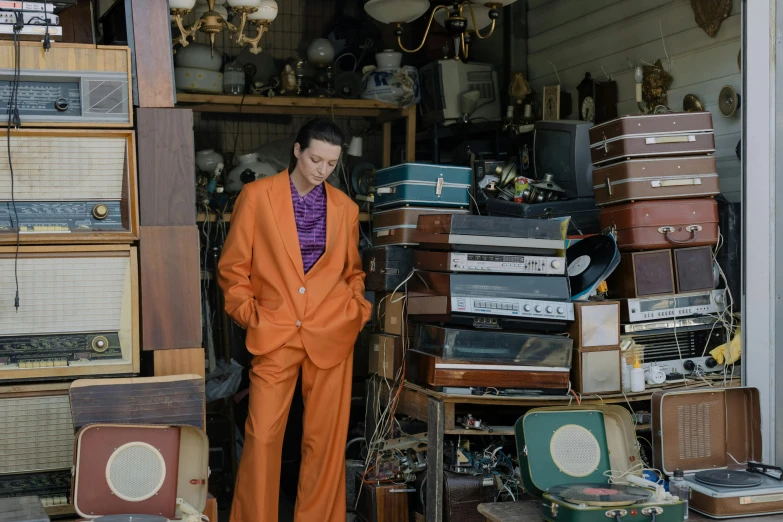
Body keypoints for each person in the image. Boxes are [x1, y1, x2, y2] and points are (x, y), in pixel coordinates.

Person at [218, 118, 372, 522]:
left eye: (331, 164)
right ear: (297, 151)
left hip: (331, 333)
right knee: (262, 437)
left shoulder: (346, 208)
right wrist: (251, 315)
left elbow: (353, 272)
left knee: (325, 442)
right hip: (274, 332)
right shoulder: (256, 197)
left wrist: (355, 310)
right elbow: (233, 269)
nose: (322, 170)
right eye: (315, 159)